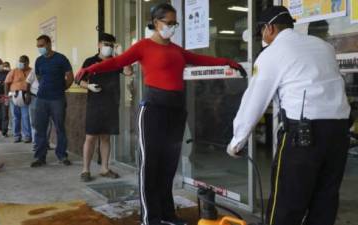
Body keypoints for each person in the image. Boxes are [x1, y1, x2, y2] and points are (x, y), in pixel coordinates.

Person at [76, 3, 243, 225]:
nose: (172, 27)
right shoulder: (143, 47)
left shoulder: (176, 50)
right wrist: (90, 69)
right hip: (153, 111)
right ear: (156, 23)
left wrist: (228, 62)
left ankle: (167, 215)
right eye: (169, 23)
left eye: (175, 23)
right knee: (150, 166)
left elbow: (200, 59)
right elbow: (117, 61)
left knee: (168, 166)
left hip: (176, 111)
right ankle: (150, 218)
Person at [226, 6, 350, 225]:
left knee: (287, 204)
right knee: (325, 202)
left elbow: (255, 100)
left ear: (269, 28)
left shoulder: (273, 53)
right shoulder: (324, 46)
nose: (262, 38)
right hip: (338, 134)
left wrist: (237, 140)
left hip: (304, 136)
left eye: (261, 32)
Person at [78, 33, 133, 182]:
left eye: (111, 45)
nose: (108, 47)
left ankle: (104, 168)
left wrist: (122, 55)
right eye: (106, 44)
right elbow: (78, 80)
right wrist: (88, 86)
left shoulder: (117, 62)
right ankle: (85, 170)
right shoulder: (90, 61)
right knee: (90, 137)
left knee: (106, 137)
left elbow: (128, 72)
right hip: (94, 104)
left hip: (111, 103)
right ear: (99, 45)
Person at [31, 35, 74, 167]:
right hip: (41, 98)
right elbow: (38, 77)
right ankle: (40, 157)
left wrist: (63, 87)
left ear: (49, 44)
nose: (40, 48)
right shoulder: (38, 61)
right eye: (38, 46)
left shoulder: (61, 58)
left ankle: (62, 156)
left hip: (57, 99)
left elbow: (70, 76)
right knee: (40, 128)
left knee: (60, 127)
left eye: (42, 45)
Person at [5, 55, 32, 143]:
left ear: (27, 63)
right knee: (15, 117)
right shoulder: (14, 71)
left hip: (26, 96)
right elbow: (6, 83)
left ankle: (26, 136)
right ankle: (17, 135)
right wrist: (6, 96)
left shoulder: (31, 71)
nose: (20, 63)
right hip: (14, 96)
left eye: (22, 62)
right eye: (19, 61)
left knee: (26, 116)